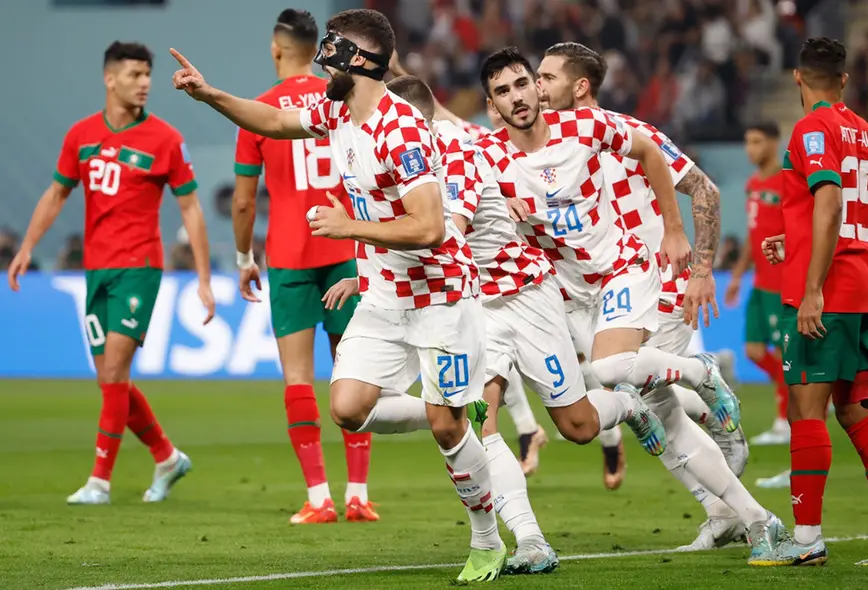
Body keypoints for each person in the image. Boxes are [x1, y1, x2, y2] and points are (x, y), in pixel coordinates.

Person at [170, 9, 506, 582]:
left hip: (440, 295)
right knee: (348, 409)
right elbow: (274, 121)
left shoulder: (398, 129)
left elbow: (429, 227)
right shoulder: (336, 110)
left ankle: (486, 538)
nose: (322, 55)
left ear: (359, 60)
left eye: (333, 46)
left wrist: (351, 230)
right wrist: (208, 95)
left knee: (450, 432)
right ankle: (445, 410)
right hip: (384, 296)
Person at [479, 47, 784, 564]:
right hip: (571, 294)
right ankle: (755, 519)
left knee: (610, 368)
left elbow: (648, 152)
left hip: (627, 267)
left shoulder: (587, 126)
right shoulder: (484, 156)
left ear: (538, 87)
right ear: (492, 104)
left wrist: (672, 227)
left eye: (527, 83)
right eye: (502, 92)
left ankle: (699, 372)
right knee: (661, 415)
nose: (520, 96)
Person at [7, 41, 216, 505]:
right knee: (110, 381)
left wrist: (203, 279)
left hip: (139, 268)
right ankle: (166, 456)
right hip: (96, 271)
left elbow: (192, 209)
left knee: (117, 368)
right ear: (110, 79)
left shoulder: (165, 139)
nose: (144, 83)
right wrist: (26, 247)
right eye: (135, 74)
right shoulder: (80, 135)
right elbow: (57, 193)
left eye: (147, 74)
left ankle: (99, 482)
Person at [748, 37, 868, 567]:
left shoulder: (810, 130)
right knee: (854, 406)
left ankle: (805, 540)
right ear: (845, 80)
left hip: (829, 290)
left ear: (798, 80)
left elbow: (828, 205)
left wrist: (811, 288)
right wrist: (798, 238)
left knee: (806, 407)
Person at [385, 74, 562, 574]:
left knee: (579, 423)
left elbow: (448, 233)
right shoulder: (408, 157)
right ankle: (528, 539)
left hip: (514, 296)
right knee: (479, 423)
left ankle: (636, 401)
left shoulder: (453, 151)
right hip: (466, 299)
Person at [231, 9, 376, 525]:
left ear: (276, 49)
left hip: (289, 254)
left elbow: (245, 201)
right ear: (316, 49)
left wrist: (245, 258)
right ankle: (358, 493)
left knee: (297, 377)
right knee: (353, 371)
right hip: (343, 249)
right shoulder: (340, 100)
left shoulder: (260, 111)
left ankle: (319, 500)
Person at [725, 122, 790, 446]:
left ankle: (785, 421)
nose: (751, 148)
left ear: (774, 143)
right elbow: (755, 236)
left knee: (783, 353)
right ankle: (802, 397)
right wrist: (737, 275)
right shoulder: (753, 184)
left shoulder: (788, 182)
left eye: (757, 141)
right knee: (752, 350)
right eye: (747, 142)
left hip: (783, 283)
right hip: (760, 283)